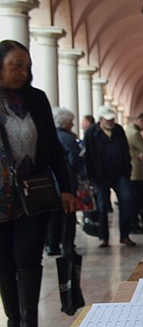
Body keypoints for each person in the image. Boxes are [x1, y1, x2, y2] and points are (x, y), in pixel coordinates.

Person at [0, 39, 76, 327]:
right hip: (1, 196)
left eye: (26, 66)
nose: (22, 71)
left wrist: (67, 187)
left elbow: (54, 148)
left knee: (28, 256)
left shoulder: (36, 99)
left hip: (34, 191)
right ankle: (14, 325)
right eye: (15, 64)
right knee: (4, 260)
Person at [84, 104, 135, 247]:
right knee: (102, 206)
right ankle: (103, 237)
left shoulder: (118, 130)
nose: (111, 122)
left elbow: (125, 150)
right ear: (100, 119)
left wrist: (128, 169)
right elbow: (88, 156)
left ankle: (125, 235)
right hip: (100, 176)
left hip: (120, 173)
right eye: (108, 119)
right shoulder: (91, 133)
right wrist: (90, 177)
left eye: (112, 119)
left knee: (126, 201)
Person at [45, 107, 82, 256]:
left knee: (55, 214)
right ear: (65, 123)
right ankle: (67, 246)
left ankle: (52, 245)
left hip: (51, 181)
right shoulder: (67, 138)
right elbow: (74, 159)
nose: (72, 125)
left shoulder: (50, 135)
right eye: (71, 122)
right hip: (66, 181)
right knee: (68, 214)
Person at [127, 111, 143, 233]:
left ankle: (138, 222)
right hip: (136, 171)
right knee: (137, 199)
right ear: (141, 120)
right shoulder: (134, 133)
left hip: (135, 170)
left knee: (139, 199)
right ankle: (134, 224)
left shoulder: (129, 130)